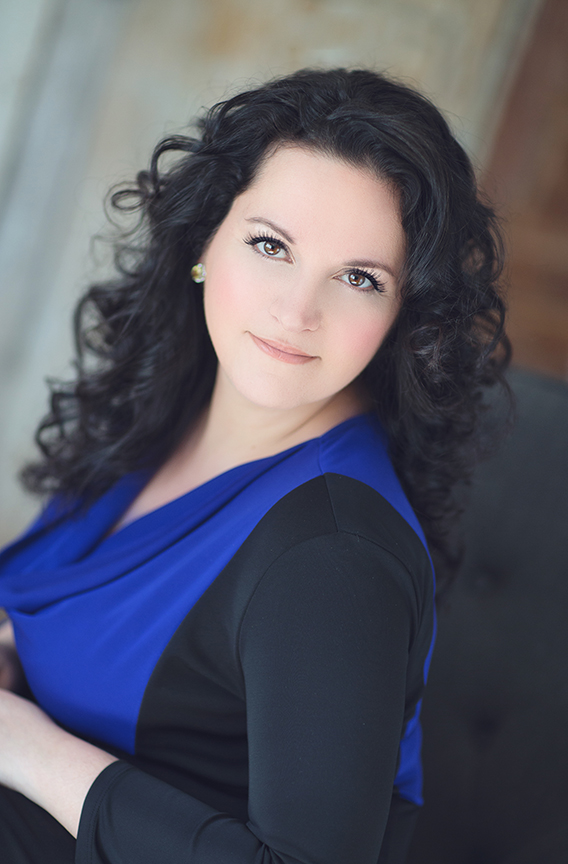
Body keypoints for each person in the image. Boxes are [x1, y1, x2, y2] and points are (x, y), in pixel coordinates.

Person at [0, 67, 509, 864]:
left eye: (359, 278)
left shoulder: (335, 559)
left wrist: (24, 746)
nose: (296, 312)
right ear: (204, 240)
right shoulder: (162, 408)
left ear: (405, 317)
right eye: (271, 246)